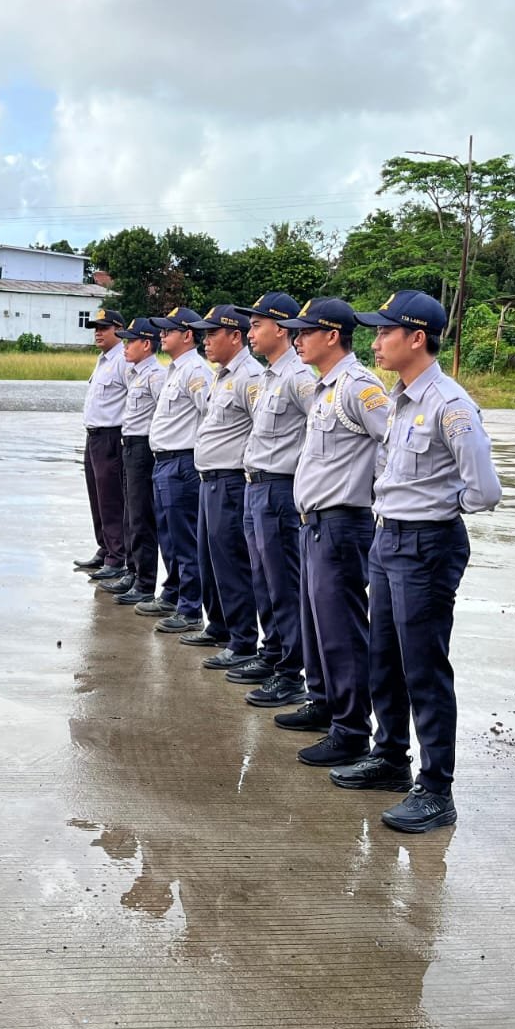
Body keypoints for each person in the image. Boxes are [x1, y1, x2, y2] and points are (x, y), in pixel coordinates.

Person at [339, 290, 503, 833]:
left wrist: (435, 508)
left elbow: (484, 490)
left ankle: (436, 789)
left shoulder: (450, 405)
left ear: (416, 338)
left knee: (424, 668)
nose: (376, 341)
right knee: (384, 657)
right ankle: (390, 757)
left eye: (386, 331)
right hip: (388, 539)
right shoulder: (402, 399)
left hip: (426, 545)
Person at [275, 298, 390, 768]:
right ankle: (323, 702)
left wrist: (376, 492)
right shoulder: (326, 387)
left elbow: (393, 442)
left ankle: (351, 729)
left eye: (305, 332)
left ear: (332, 336)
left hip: (342, 522)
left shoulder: (359, 387)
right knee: (316, 624)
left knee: (341, 630)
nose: (297, 339)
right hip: (316, 523)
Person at [236, 292, 320, 708]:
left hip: (280, 491)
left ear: (281, 329)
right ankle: (273, 654)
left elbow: (326, 429)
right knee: (263, 580)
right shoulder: (270, 376)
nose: (250, 333)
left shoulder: (300, 378)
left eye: (256, 325)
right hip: (256, 487)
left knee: (284, 584)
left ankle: (291, 673)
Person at [185, 305, 265, 672]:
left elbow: (262, 430)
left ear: (236, 336)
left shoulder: (251, 377)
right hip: (209, 480)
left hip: (231, 481)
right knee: (209, 559)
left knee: (232, 563)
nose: (206, 341)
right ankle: (218, 625)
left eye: (213, 333)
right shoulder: (221, 375)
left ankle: (242, 640)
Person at [144, 307, 212, 635]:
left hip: (182, 463)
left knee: (185, 540)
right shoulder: (174, 370)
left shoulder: (196, 371)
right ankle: (173, 594)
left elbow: (211, 415)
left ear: (187, 335)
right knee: (169, 537)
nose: (162, 335)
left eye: (168, 330)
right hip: (164, 462)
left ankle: (190, 609)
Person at [102, 316, 168, 605]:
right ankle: (132, 571)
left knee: (142, 517)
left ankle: (145, 582)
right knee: (130, 514)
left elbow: (163, 415)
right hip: (129, 446)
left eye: (130, 341)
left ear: (147, 344)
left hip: (143, 448)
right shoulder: (135, 373)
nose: (125, 347)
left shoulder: (156, 375)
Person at [75, 308, 129, 585]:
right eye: (95, 328)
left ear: (119, 329)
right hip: (94, 436)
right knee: (96, 496)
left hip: (111, 436)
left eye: (104, 328)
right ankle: (105, 547)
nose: (98, 333)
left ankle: (117, 557)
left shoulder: (124, 360)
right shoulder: (104, 359)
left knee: (111, 499)